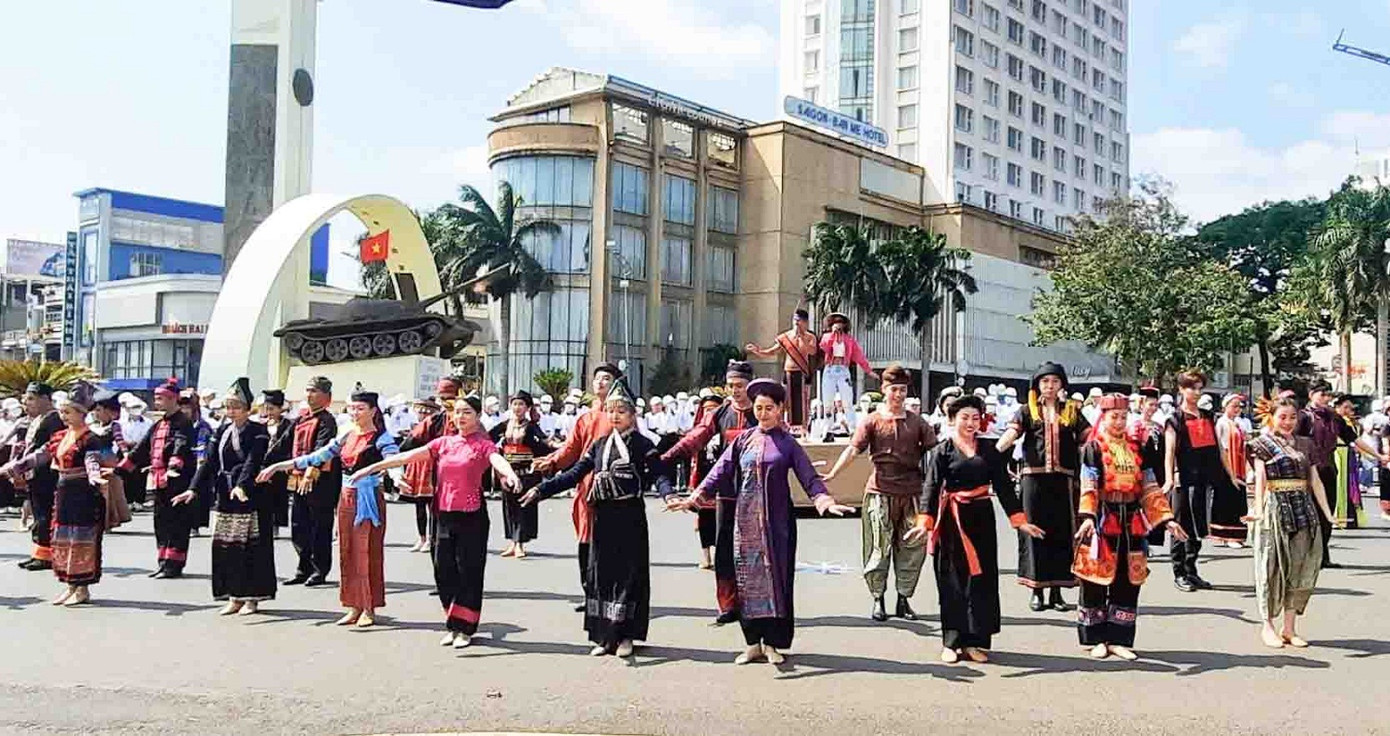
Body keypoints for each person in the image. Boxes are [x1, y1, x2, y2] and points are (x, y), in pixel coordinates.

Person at [668, 379, 854, 665]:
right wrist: (694, 497)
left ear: (780, 409)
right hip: (745, 525)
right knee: (747, 582)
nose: (763, 413)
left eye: (769, 408)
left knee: (776, 581)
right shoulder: (742, 440)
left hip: (778, 525)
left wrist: (825, 502)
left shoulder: (787, 443)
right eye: (759, 408)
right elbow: (719, 471)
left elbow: (809, 478)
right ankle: (752, 642)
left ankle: (773, 644)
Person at [351, 395, 521, 648]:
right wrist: (371, 468)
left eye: (467, 413)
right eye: (458, 412)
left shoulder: (483, 445)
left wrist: (510, 475)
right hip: (442, 514)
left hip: (471, 516)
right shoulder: (443, 443)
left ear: (477, 417)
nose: (461, 417)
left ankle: (465, 629)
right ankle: (453, 622)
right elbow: (407, 457)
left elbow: (498, 461)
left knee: (469, 572)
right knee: (443, 570)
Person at [522, 380, 675, 658]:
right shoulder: (599, 444)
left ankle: (626, 635)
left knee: (629, 576)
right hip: (602, 516)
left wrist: (669, 495)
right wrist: (541, 489)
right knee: (601, 574)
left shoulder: (642, 444)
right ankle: (604, 636)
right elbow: (574, 473)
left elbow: (659, 473)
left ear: (633, 415)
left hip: (629, 516)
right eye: (611, 411)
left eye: (622, 412)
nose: (615, 416)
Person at [906, 394, 1038, 663]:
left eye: (975, 418)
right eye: (964, 417)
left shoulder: (989, 450)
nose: (970, 422)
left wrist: (1019, 520)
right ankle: (951, 641)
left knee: (982, 579)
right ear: (952, 420)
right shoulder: (941, 451)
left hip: (981, 519)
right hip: (952, 521)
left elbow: (1003, 486)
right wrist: (924, 523)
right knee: (952, 580)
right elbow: (930, 489)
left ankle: (975, 641)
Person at [260, 388, 399, 628]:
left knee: (367, 552)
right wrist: (279, 466)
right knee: (347, 551)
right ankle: (353, 605)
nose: (355, 413)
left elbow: (393, 459)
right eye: (352, 408)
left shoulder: (382, 437)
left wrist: (398, 476)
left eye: (361, 408)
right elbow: (318, 456)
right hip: (346, 497)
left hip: (368, 498)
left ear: (373, 411)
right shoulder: (347, 435)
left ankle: (369, 606)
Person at [1073, 394, 1187, 661]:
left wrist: (1166, 518)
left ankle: (1119, 638)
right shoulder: (1094, 448)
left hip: (1132, 521)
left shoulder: (1139, 447)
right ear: (1104, 417)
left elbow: (1149, 485)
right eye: (1114, 416)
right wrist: (1088, 516)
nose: (1119, 421)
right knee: (1096, 578)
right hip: (1103, 518)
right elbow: (1088, 483)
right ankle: (1095, 638)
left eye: (1123, 416)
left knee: (1128, 579)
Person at [822, 364, 936, 622]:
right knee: (877, 547)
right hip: (879, 492)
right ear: (884, 389)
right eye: (894, 389)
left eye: (903, 390)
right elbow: (853, 450)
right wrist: (833, 474)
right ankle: (878, 599)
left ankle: (903, 600)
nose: (898, 394)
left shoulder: (918, 422)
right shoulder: (872, 421)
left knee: (912, 547)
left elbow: (935, 455)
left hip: (912, 494)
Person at [659, 360, 758, 622]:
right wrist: (667, 457)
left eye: (740, 385)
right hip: (726, 490)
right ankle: (727, 605)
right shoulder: (719, 413)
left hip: (757, 491)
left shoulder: (763, 411)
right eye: (731, 386)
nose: (735, 391)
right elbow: (697, 437)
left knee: (754, 550)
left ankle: (755, 604)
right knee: (724, 550)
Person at [994, 362, 1088, 611]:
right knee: (1033, 532)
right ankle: (1036, 590)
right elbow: (1011, 435)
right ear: (1037, 385)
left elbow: (1089, 440)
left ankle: (1057, 591)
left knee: (1061, 534)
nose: (1049, 386)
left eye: (1054, 381)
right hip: (1033, 480)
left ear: (1061, 385)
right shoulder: (1027, 410)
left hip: (1063, 480)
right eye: (1045, 382)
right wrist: (992, 454)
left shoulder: (1072, 411)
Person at [1247, 398, 1338, 649]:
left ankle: (1289, 628)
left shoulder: (1306, 444)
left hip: (1303, 509)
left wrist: (1328, 514)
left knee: (1300, 567)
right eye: (1282, 417)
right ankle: (1267, 625)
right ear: (1272, 417)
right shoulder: (1260, 444)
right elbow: (1261, 479)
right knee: (1270, 566)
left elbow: (1315, 481)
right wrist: (1256, 510)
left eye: (1292, 417)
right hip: (1275, 507)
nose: (1288, 422)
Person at [532, 363, 621, 609]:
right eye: (597, 379)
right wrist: (550, 462)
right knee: (585, 538)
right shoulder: (586, 418)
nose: (601, 383)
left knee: (611, 541)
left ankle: (610, 594)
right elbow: (570, 449)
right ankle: (590, 592)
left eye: (607, 378)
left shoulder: (623, 415)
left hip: (614, 487)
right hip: (586, 485)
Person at [10, 382, 106, 605]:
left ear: (81, 414)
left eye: (68, 412)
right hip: (63, 492)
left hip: (84, 494)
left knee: (82, 540)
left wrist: (94, 476)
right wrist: (14, 467)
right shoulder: (60, 436)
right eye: (62, 412)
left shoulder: (90, 437)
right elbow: (40, 455)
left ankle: (82, 588)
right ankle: (70, 584)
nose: (64, 417)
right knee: (63, 539)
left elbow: (93, 460)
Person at [192, 378, 275, 615]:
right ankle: (233, 595)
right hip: (226, 495)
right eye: (228, 407)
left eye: (236, 407)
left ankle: (251, 598)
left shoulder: (258, 432)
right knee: (227, 546)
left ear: (248, 409)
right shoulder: (222, 430)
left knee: (251, 547)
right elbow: (208, 462)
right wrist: (193, 488)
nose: (231, 412)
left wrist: (242, 485)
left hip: (250, 495)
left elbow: (253, 461)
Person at [1295, 381, 1384, 569]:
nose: (1326, 399)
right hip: (1308, 471)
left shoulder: (1334, 417)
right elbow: (1292, 441)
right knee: (1309, 514)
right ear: (1311, 394)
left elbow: (1354, 439)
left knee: (1328, 513)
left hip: (1328, 469)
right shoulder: (1303, 417)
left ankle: (1322, 555)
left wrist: (1378, 455)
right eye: (1322, 395)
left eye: (1328, 395)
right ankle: (1306, 555)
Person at [117, 380, 198, 578]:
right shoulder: (159, 424)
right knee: (161, 521)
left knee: (177, 521)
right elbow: (141, 450)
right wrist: (120, 470)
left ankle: (174, 564)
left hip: (178, 480)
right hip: (160, 479)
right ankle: (163, 561)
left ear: (172, 399)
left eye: (160, 398)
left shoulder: (183, 422)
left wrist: (173, 466)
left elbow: (181, 445)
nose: (156, 401)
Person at [1163, 371, 1225, 592]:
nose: (1196, 392)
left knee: (1198, 526)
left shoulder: (1207, 416)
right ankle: (1179, 573)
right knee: (1180, 525)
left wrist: (1228, 473)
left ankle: (1191, 570)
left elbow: (1218, 448)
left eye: (1200, 388)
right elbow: (1170, 452)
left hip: (1203, 478)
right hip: (1182, 478)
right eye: (1192, 388)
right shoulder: (1174, 419)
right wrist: (1170, 478)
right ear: (1181, 389)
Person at [282, 376, 341, 586]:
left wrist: (311, 470)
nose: (309, 395)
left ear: (327, 397)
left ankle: (319, 569)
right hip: (297, 479)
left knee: (319, 525)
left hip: (320, 481)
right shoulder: (300, 419)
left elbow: (322, 449)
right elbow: (283, 443)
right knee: (299, 524)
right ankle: (302, 567)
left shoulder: (327, 421)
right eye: (308, 390)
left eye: (314, 391)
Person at [3, 382, 64, 571]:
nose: (26, 404)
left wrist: (20, 466)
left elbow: (47, 450)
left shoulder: (54, 419)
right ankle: (39, 553)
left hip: (47, 474)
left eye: (31, 399)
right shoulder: (37, 419)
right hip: (34, 473)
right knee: (38, 513)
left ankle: (46, 556)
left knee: (44, 513)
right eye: (26, 399)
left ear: (45, 399)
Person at [491, 390, 550, 559]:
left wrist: (562, 446)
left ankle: (520, 543)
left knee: (524, 507)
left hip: (527, 474)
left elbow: (545, 442)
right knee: (509, 508)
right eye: (514, 404)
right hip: (508, 472)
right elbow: (487, 438)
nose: (517, 407)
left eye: (521, 404)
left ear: (527, 407)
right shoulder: (504, 425)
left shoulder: (531, 426)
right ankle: (512, 542)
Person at [745, 308, 819, 431]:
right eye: (795, 321)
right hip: (789, 371)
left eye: (799, 321)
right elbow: (772, 351)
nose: (797, 324)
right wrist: (757, 351)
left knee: (803, 401)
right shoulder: (786, 337)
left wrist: (801, 337)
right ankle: (787, 426)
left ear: (805, 323)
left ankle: (804, 429)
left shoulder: (810, 337)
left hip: (802, 372)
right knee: (786, 399)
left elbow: (812, 351)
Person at [399, 397, 446, 554]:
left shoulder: (435, 427)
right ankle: (422, 537)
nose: (421, 415)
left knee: (431, 504)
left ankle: (431, 538)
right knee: (419, 504)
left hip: (430, 463)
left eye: (424, 412)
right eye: (419, 412)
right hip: (416, 464)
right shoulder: (417, 427)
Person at [1211, 393, 1251, 548]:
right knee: (1227, 501)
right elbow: (1221, 448)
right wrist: (1229, 471)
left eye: (1239, 406)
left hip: (1239, 466)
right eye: (1234, 406)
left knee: (1238, 501)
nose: (1237, 409)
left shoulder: (1238, 424)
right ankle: (1227, 536)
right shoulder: (1222, 423)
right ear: (1225, 406)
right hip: (1227, 467)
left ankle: (1237, 535)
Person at [819, 313, 878, 408]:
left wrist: (868, 371)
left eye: (841, 322)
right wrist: (833, 335)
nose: (838, 324)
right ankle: (827, 422)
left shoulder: (849, 340)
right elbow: (824, 347)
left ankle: (850, 422)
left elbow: (859, 355)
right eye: (836, 322)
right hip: (830, 369)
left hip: (843, 369)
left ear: (844, 325)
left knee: (847, 400)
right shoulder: (826, 336)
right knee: (828, 400)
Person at [1331, 394, 1369, 530]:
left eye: (1350, 408)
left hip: (1348, 454)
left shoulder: (1351, 423)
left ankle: (1347, 516)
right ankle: (1338, 515)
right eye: (1345, 407)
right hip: (1337, 452)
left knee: (1349, 485)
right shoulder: (1334, 420)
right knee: (1339, 484)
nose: (1348, 410)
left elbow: (1355, 439)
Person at [260, 390, 294, 536]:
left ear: (280, 408)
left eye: (272, 409)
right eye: (266, 408)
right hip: (263, 464)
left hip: (280, 465)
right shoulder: (261, 424)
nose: (269, 412)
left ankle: (276, 526)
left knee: (279, 496)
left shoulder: (289, 425)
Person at [117, 396, 151, 511]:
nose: (135, 410)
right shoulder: (121, 423)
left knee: (141, 477)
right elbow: (119, 437)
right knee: (127, 477)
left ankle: (139, 501)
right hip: (126, 451)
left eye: (137, 407)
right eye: (132, 407)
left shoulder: (148, 422)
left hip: (142, 451)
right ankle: (128, 501)